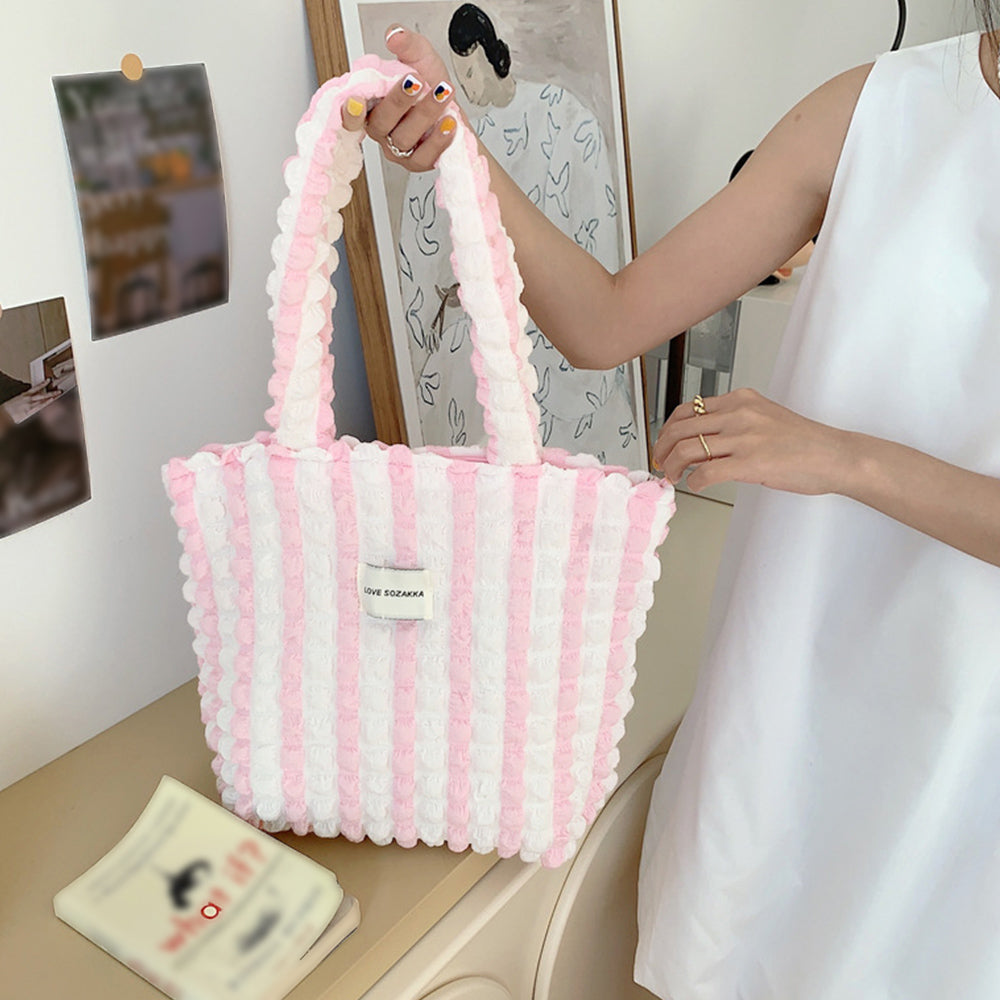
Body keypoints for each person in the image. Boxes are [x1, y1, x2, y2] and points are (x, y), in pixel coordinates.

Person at [344, 8, 1000, 998]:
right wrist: (459, 153)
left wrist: (843, 457)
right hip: (792, 684)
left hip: (966, 743)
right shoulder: (879, 107)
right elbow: (606, 321)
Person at [393, 3, 642, 465]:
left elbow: (598, 233)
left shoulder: (564, 117)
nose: (468, 88)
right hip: (486, 322)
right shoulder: (461, 134)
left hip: (567, 313)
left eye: (471, 72)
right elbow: (423, 247)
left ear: (491, 54)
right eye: (460, 77)